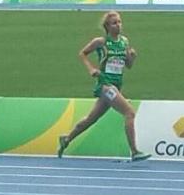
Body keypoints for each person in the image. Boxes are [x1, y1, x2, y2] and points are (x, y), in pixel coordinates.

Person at [58, 11, 151, 162]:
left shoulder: (124, 42)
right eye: (114, 23)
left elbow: (128, 66)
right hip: (105, 85)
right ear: (107, 26)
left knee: (90, 119)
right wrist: (91, 69)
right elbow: (82, 53)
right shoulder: (101, 42)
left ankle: (67, 138)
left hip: (116, 85)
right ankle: (134, 151)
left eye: (120, 22)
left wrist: (132, 57)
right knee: (129, 113)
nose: (118, 25)